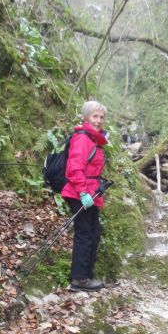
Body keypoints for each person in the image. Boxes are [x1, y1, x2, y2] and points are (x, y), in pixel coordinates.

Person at [61, 100, 108, 292]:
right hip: (79, 193)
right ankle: (79, 279)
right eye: (94, 116)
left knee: (93, 233)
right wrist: (82, 192)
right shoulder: (82, 138)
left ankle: (86, 276)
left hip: (90, 192)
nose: (98, 120)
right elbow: (74, 169)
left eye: (101, 117)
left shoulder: (93, 138)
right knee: (85, 235)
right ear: (86, 117)